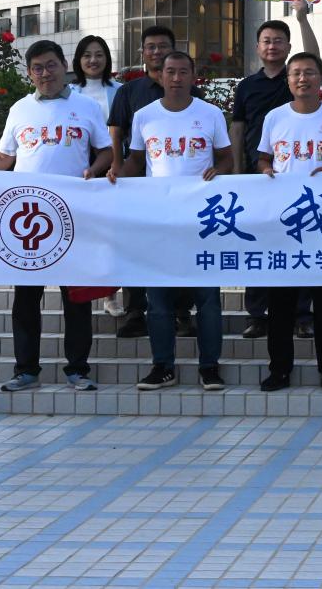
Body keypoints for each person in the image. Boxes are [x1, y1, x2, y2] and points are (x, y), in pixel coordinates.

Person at [0, 40, 112, 392]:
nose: (45, 73)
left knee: (76, 297)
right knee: (25, 298)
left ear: (63, 66)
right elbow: (4, 158)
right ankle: (26, 370)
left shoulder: (86, 106)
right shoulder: (20, 109)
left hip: (72, 215)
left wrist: (94, 170)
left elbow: (107, 151)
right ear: (29, 73)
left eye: (51, 65)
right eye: (37, 68)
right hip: (28, 218)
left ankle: (78, 370)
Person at [108, 51, 232, 392]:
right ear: (159, 76)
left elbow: (227, 158)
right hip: (159, 220)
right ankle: (163, 366)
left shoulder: (210, 114)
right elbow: (136, 161)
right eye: (170, 72)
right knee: (158, 299)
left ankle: (210, 367)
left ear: (193, 76)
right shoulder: (145, 116)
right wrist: (118, 174)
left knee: (207, 298)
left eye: (183, 72)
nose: (176, 78)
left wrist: (218, 170)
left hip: (201, 221)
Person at [256, 51, 322, 393]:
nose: (303, 78)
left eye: (310, 72)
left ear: (321, 78)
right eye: (296, 73)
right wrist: (266, 171)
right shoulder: (274, 118)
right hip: (284, 222)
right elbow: (263, 159)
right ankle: (279, 370)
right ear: (288, 80)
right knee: (280, 303)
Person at [231, 5, 320, 341]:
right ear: (257, 47)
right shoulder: (246, 86)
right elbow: (238, 129)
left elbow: (313, 57)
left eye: (279, 41)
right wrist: (238, 171)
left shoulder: (295, 79)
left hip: (297, 178)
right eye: (266, 41)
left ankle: (302, 315)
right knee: (259, 243)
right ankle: (258, 315)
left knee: (300, 242)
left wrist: (302, 18)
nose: (272, 46)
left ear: (288, 46)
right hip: (259, 177)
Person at [106, 26, 199, 339]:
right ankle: (135, 312)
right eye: (151, 47)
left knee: (181, 249)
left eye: (163, 46)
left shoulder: (189, 91)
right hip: (139, 185)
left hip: (182, 191)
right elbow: (117, 131)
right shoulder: (129, 92)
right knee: (137, 248)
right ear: (143, 53)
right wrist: (117, 167)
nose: (157, 52)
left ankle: (182, 312)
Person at [70, 33, 125, 318]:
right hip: (80, 169)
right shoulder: (69, 92)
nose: (93, 60)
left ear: (107, 59)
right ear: (78, 60)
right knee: (82, 232)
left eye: (99, 55)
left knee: (110, 233)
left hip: (113, 165)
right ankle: (79, 290)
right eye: (87, 55)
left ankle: (110, 295)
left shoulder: (120, 90)